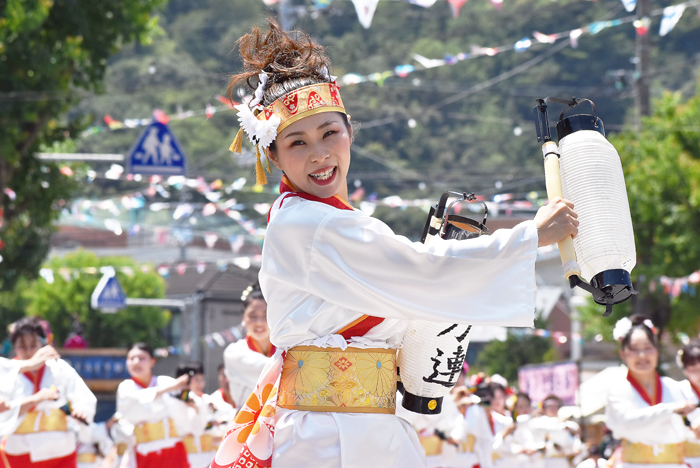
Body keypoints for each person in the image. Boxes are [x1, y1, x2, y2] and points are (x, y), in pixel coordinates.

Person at [211, 19, 579, 468]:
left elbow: (414, 287)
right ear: (273, 155)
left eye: (330, 133)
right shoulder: (307, 224)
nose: (320, 154)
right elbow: (422, 271)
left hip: (373, 427)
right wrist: (531, 236)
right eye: (297, 142)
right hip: (327, 438)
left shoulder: (336, 221)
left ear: (350, 131)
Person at [0, 317, 97, 468]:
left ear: (43, 344)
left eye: (33, 345)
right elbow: (2, 410)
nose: (29, 351)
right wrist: (36, 399)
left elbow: (82, 397)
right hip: (21, 449)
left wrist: (80, 410)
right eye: (22, 346)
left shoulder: (59, 367)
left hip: (60, 448)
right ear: (14, 347)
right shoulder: (7, 373)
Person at [605, 315, 698, 467]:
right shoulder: (618, 389)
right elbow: (629, 421)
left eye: (648, 348)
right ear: (623, 354)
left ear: (657, 351)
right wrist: (671, 409)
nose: (642, 355)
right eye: (634, 349)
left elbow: (689, 424)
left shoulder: (673, 386)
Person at [116, 343, 192, 468]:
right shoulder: (126, 387)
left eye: (141, 358)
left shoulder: (165, 381)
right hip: (145, 452)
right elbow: (138, 401)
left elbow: (186, 402)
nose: (136, 362)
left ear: (152, 361)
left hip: (173, 449)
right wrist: (169, 388)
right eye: (131, 358)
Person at [222, 282, 275, 409]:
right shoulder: (234, 352)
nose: (259, 322)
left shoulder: (284, 349)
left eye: (265, 316)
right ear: (243, 318)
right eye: (253, 316)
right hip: (246, 421)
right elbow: (273, 373)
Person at [175, 362, 212, 468]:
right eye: (196, 379)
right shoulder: (173, 398)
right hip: (181, 456)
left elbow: (201, 428)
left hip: (204, 456)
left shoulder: (204, 401)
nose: (199, 384)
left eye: (202, 380)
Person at [528, 394, 580, 468]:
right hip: (545, 461)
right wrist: (559, 424)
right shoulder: (539, 421)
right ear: (544, 408)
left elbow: (575, 432)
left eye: (555, 406)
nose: (552, 409)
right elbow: (534, 426)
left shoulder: (567, 423)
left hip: (563, 460)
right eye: (549, 406)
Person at [677, 339, 700, 467]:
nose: (699, 374)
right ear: (685, 370)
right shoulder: (677, 390)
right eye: (693, 369)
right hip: (687, 460)